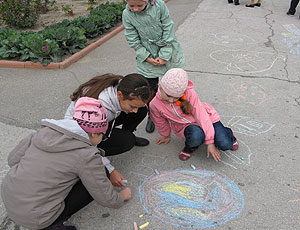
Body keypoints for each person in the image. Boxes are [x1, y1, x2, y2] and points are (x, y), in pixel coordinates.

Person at [1, 97, 132, 230]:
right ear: (93, 134)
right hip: (38, 218)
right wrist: (120, 197)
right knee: (101, 173)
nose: (101, 139)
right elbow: (104, 196)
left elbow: (12, 160)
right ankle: (53, 224)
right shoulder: (87, 155)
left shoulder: (42, 132)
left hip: (9, 198)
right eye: (102, 136)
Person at [122, 0, 185, 134]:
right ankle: (153, 115)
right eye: (131, 6)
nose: (136, 9)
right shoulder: (127, 14)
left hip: (167, 48)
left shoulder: (159, 6)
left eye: (140, 5)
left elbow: (168, 27)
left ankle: (180, 109)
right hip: (146, 51)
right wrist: (146, 57)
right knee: (149, 88)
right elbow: (132, 37)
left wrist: (164, 54)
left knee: (176, 82)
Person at [150, 68, 239, 162]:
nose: (171, 100)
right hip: (187, 126)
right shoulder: (154, 104)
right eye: (168, 96)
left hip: (208, 120)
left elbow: (202, 116)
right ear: (160, 87)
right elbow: (160, 122)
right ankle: (191, 146)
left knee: (225, 144)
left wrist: (210, 143)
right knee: (195, 137)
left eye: (176, 97)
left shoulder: (190, 94)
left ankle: (229, 134)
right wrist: (166, 135)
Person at [65, 73, 152, 156]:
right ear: (119, 95)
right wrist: (109, 169)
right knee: (128, 141)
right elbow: (88, 138)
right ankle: (99, 152)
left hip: (105, 118)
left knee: (142, 110)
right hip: (82, 132)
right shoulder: (99, 108)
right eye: (132, 106)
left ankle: (126, 133)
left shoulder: (122, 86)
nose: (135, 111)